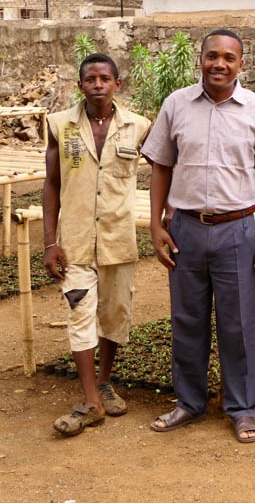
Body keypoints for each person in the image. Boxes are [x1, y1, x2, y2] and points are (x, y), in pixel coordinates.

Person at [141, 29, 255, 443]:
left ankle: (241, 408)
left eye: (228, 57)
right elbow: (161, 168)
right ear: (200, 60)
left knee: (238, 323)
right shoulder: (176, 105)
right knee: (187, 320)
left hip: (237, 231)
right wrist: (156, 225)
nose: (219, 64)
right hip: (185, 229)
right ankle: (188, 402)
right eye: (211, 56)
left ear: (241, 63)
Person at [43, 53, 151, 437]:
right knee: (80, 313)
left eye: (106, 78)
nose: (98, 85)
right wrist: (50, 241)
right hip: (73, 242)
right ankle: (90, 401)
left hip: (118, 240)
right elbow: (52, 184)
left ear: (117, 85)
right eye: (91, 79)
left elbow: (164, 170)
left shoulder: (138, 127)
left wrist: (165, 217)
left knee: (115, 314)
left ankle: (104, 381)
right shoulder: (60, 126)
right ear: (80, 85)